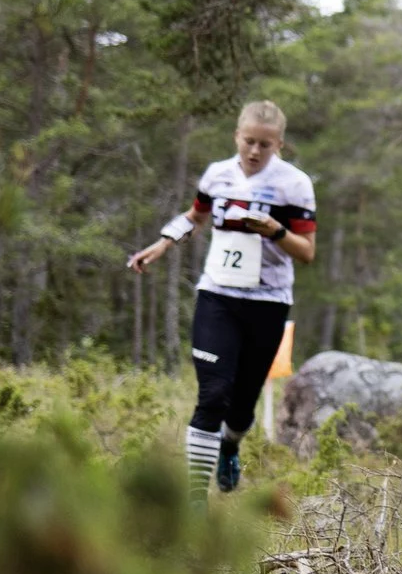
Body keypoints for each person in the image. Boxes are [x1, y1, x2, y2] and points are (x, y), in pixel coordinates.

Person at [128, 101, 318, 496]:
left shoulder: (294, 184)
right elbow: (195, 217)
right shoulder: (217, 175)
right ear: (237, 136)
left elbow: (307, 251)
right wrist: (162, 244)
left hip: (268, 302)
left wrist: (274, 231)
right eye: (249, 141)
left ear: (278, 144)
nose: (254, 151)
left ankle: (230, 445)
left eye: (265, 145)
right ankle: (196, 500)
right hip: (218, 295)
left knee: (242, 406)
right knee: (212, 395)